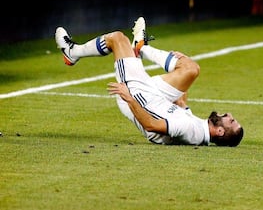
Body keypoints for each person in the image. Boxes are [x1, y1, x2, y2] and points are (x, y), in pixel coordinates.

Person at [55, 17, 244, 146]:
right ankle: (142, 47)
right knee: (191, 69)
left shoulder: (189, 129)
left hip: (139, 97)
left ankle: (72, 53)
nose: (229, 114)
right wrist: (182, 62)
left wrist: (130, 99)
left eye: (231, 121)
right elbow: (180, 102)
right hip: (155, 97)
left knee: (118, 39)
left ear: (219, 132)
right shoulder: (197, 129)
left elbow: (151, 126)